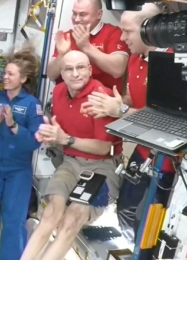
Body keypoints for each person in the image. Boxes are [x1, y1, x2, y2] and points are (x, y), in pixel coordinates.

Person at [79, 3, 175, 241]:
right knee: (125, 208)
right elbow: (135, 99)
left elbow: (163, 119)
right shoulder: (135, 59)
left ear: (149, 30)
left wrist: (120, 109)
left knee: (145, 220)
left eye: (128, 31)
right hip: (142, 151)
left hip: (164, 162)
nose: (122, 38)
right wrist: (114, 103)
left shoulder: (173, 64)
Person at [21, 50, 122, 260]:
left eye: (81, 68)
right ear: (62, 73)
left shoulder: (100, 97)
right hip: (71, 162)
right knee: (50, 214)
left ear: (90, 70)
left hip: (102, 166)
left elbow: (103, 148)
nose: (75, 74)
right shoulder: (58, 92)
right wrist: (50, 135)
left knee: (72, 219)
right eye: (69, 69)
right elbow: (60, 131)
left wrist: (65, 139)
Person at [0, 49, 44, 260]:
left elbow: (34, 141)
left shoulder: (32, 104)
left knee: (13, 221)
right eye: (4, 73)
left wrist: (13, 125)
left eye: (10, 74)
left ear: (23, 79)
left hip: (18, 170)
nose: (5, 77)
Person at [46, 0, 129, 92]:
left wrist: (86, 47)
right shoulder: (66, 36)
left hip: (101, 100)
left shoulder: (114, 33)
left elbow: (118, 70)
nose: (76, 19)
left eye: (82, 14)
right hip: (68, 99)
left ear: (99, 14)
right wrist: (61, 55)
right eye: (74, 13)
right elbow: (51, 75)